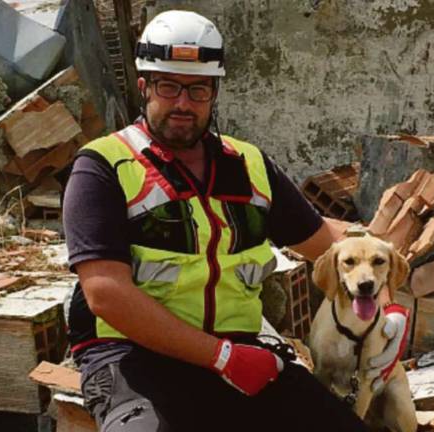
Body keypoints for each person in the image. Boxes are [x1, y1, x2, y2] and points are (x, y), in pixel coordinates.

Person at [62, 10, 408, 431]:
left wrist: (390, 309)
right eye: (169, 86)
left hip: (242, 352)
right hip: (133, 356)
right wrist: (220, 357)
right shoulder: (102, 167)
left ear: (215, 92)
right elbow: (106, 294)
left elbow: (325, 241)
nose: (183, 104)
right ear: (144, 87)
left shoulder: (249, 164)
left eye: (198, 90)